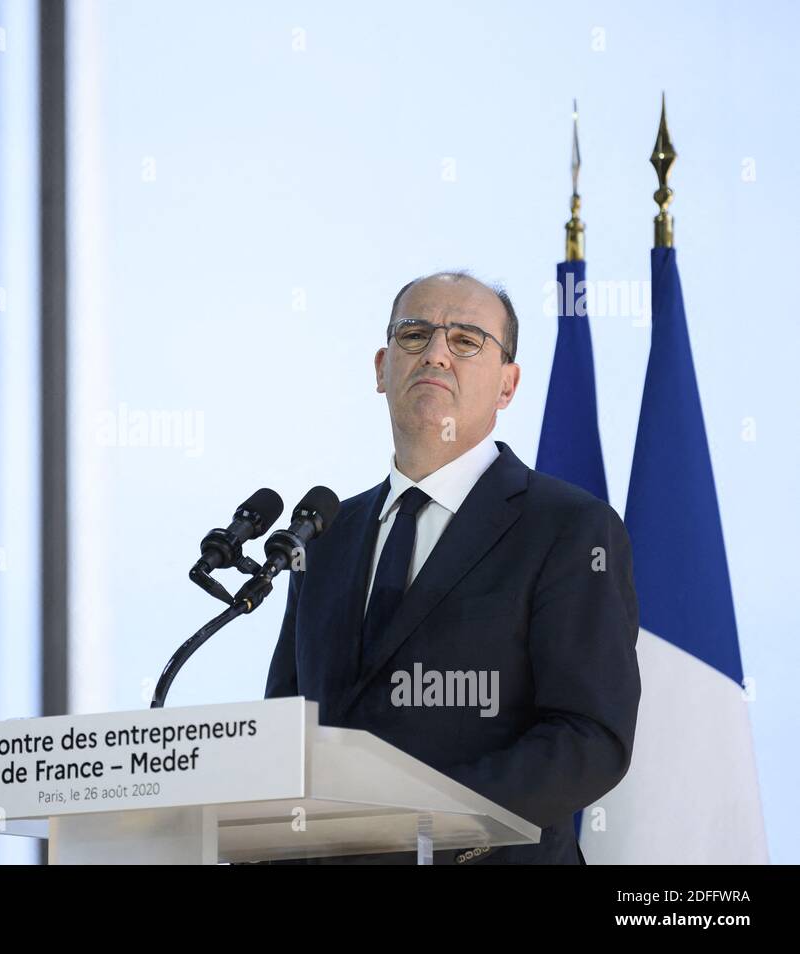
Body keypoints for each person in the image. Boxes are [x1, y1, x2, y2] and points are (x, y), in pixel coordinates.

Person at [263, 270, 640, 864]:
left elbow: (589, 738)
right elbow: (288, 722)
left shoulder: (569, 529)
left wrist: (431, 822)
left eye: (466, 340)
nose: (436, 352)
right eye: (415, 335)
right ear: (382, 367)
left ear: (508, 384)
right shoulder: (325, 537)